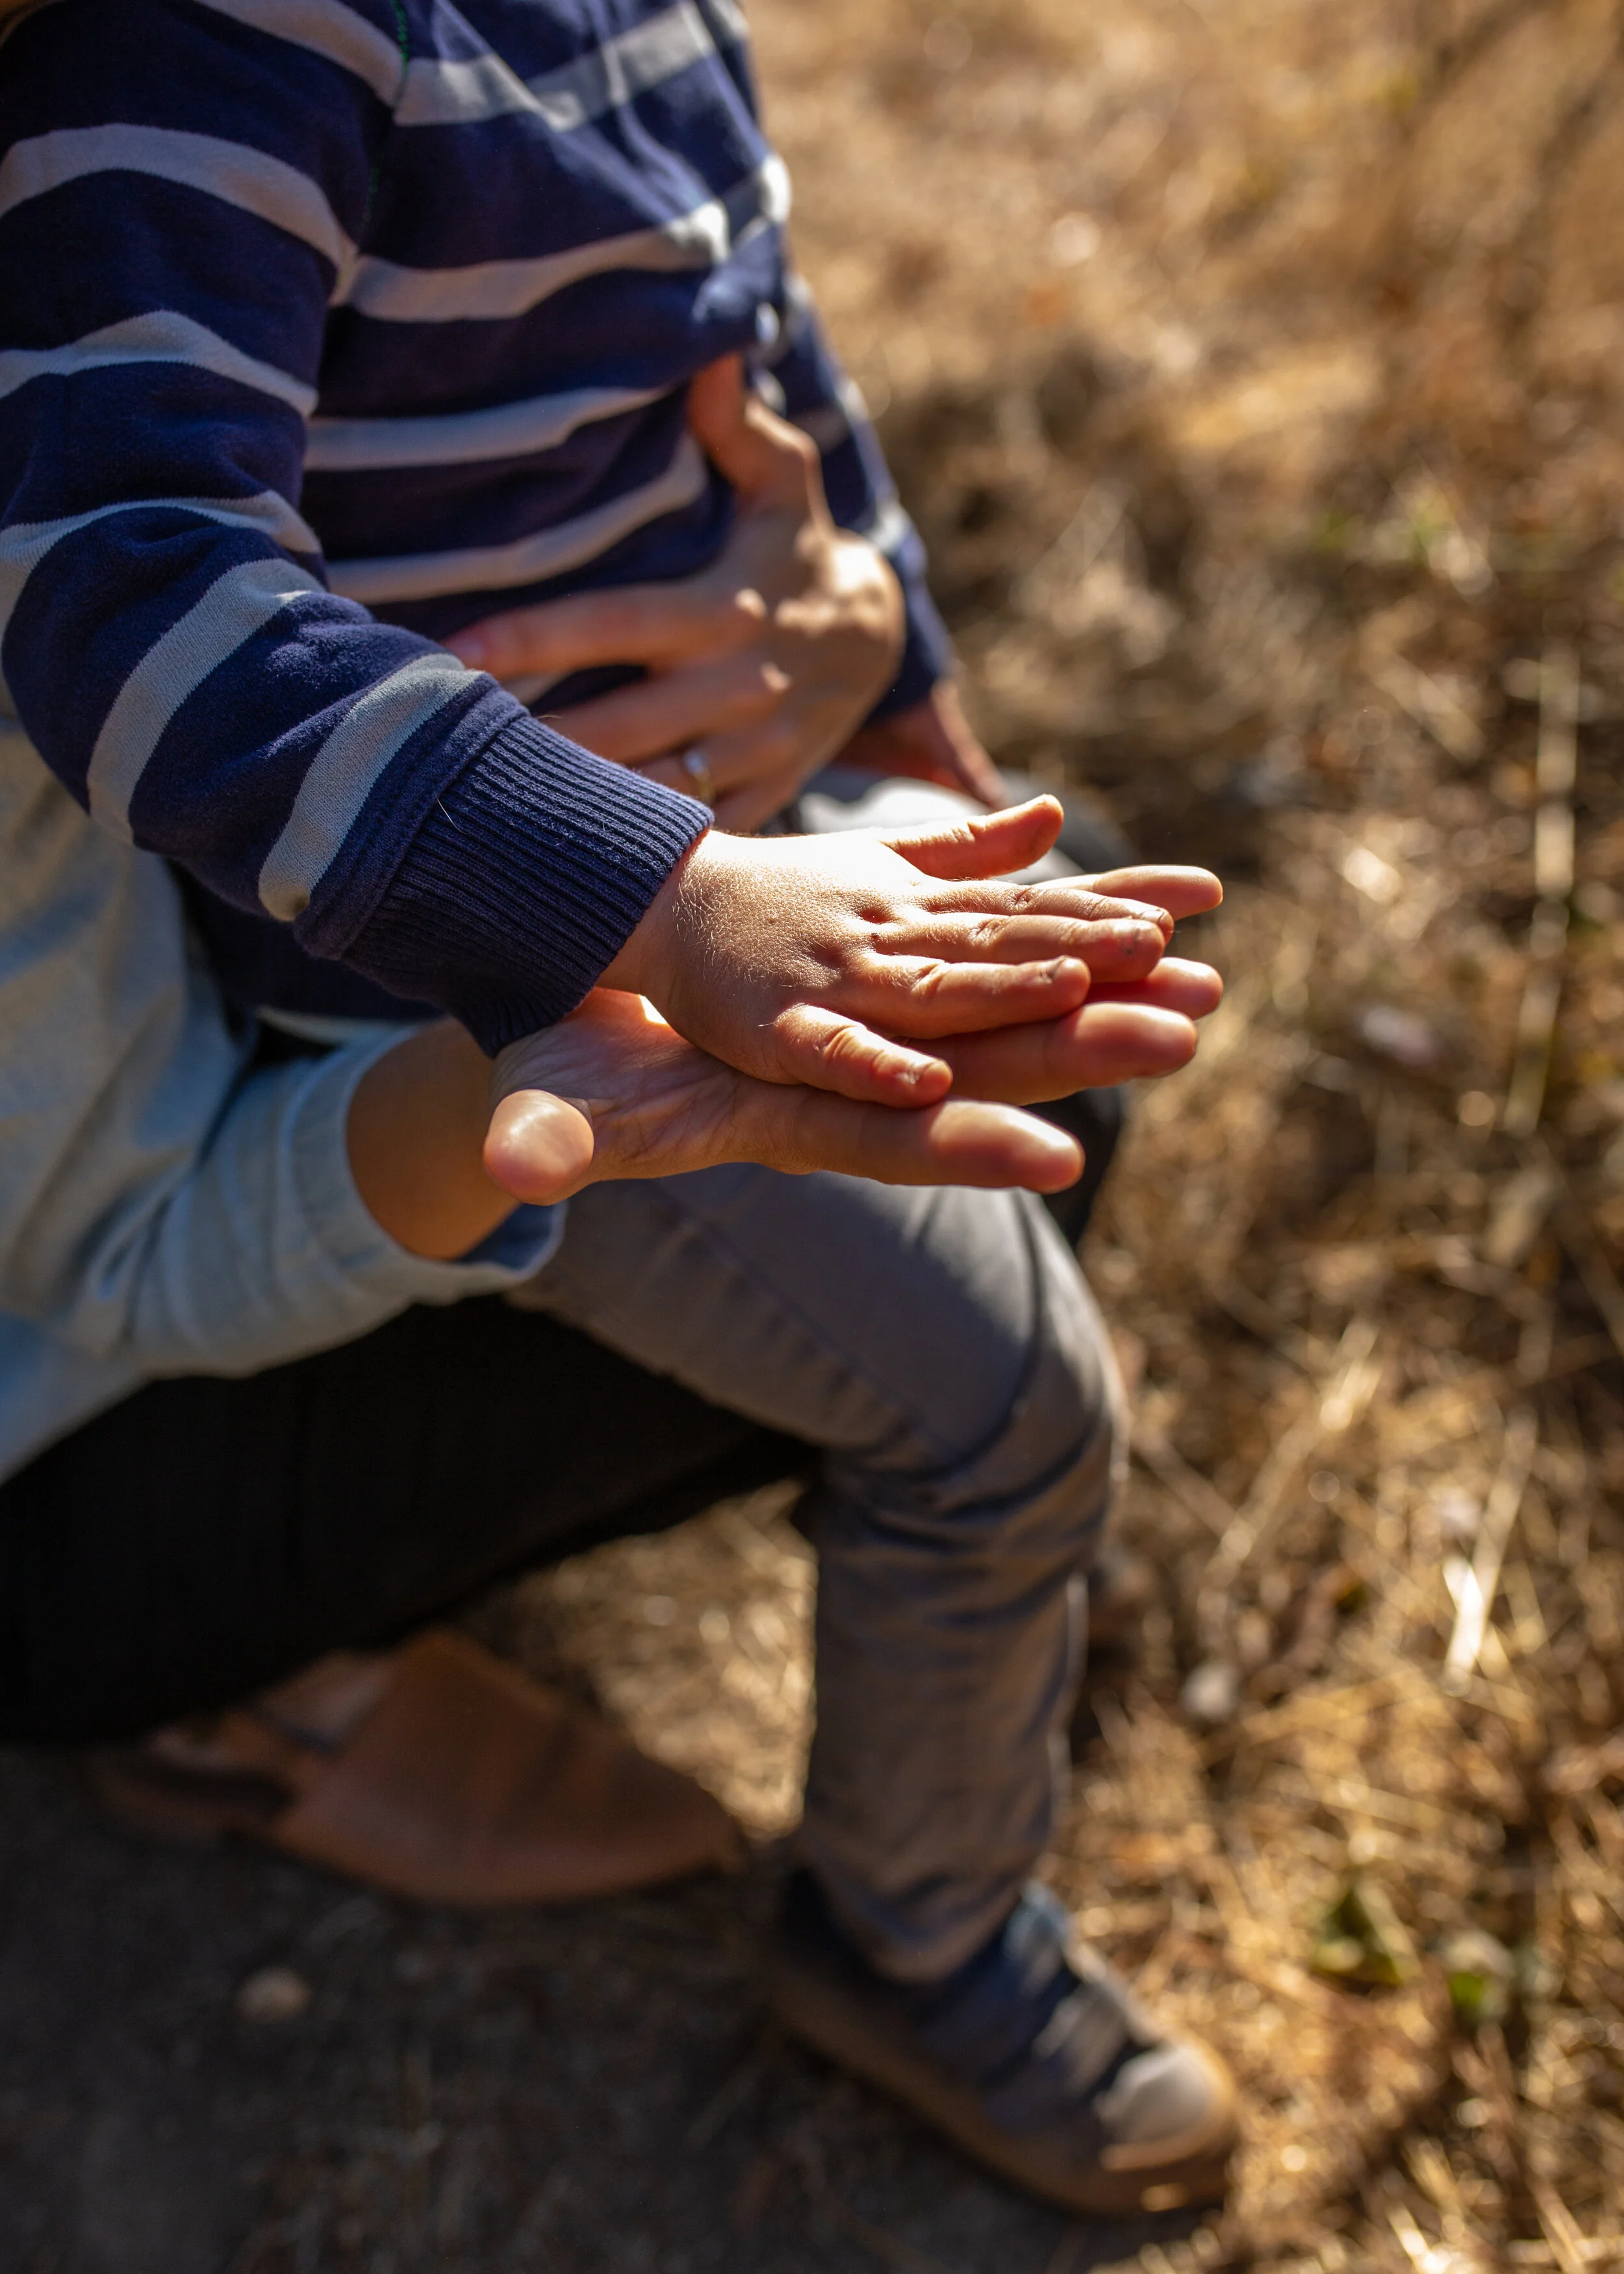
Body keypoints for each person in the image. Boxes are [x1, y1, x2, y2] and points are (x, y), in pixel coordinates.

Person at [0, 0, 1235, 2214]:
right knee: (1004, 1408)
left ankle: (946, 1619)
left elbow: (778, 394)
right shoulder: (204, 52)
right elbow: (124, 593)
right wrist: (649, 898)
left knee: (1073, 1055)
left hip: (707, 860)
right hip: (490, 987)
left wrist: (911, 716)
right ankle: (918, 1937)